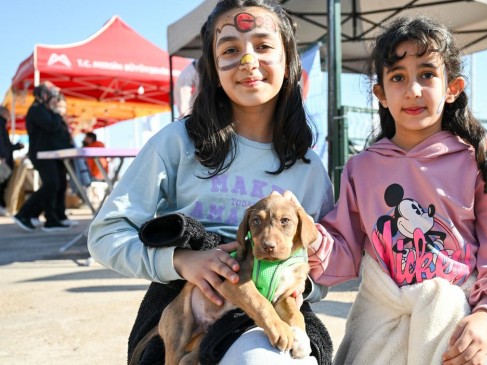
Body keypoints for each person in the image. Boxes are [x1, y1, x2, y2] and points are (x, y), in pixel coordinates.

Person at [87, 1, 334, 364]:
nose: (249, 61)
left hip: (276, 304)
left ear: (289, 61)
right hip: (184, 303)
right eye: (231, 49)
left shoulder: (308, 166)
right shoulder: (176, 143)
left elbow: (324, 269)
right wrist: (182, 260)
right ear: (212, 67)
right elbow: (104, 236)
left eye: (264, 46)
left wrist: (301, 284)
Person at [304, 16, 487, 365]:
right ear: (380, 93)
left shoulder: (475, 162)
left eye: (427, 74)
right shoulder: (361, 169)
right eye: (398, 77)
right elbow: (343, 255)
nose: (413, 90)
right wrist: (308, 238)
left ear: (452, 87)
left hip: (461, 315)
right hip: (382, 321)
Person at [13, 83, 73, 232]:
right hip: (42, 155)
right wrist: (58, 113)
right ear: (42, 95)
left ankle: (42, 216)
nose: (53, 98)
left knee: (55, 185)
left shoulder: (44, 110)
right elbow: (52, 126)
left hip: (49, 154)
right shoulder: (36, 110)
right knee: (51, 184)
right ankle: (24, 214)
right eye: (50, 95)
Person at [0, 106, 25, 216]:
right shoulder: (1, 124)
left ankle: (2, 205)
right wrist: (2, 157)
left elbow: (6, 145)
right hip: (4, 159)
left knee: (3, 183)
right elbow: (2, 144)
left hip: (5, 158)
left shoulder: (3, 125)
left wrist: (16, 147)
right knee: (1, 184)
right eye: (8, 113)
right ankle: (1, 205)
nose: (9, 116)